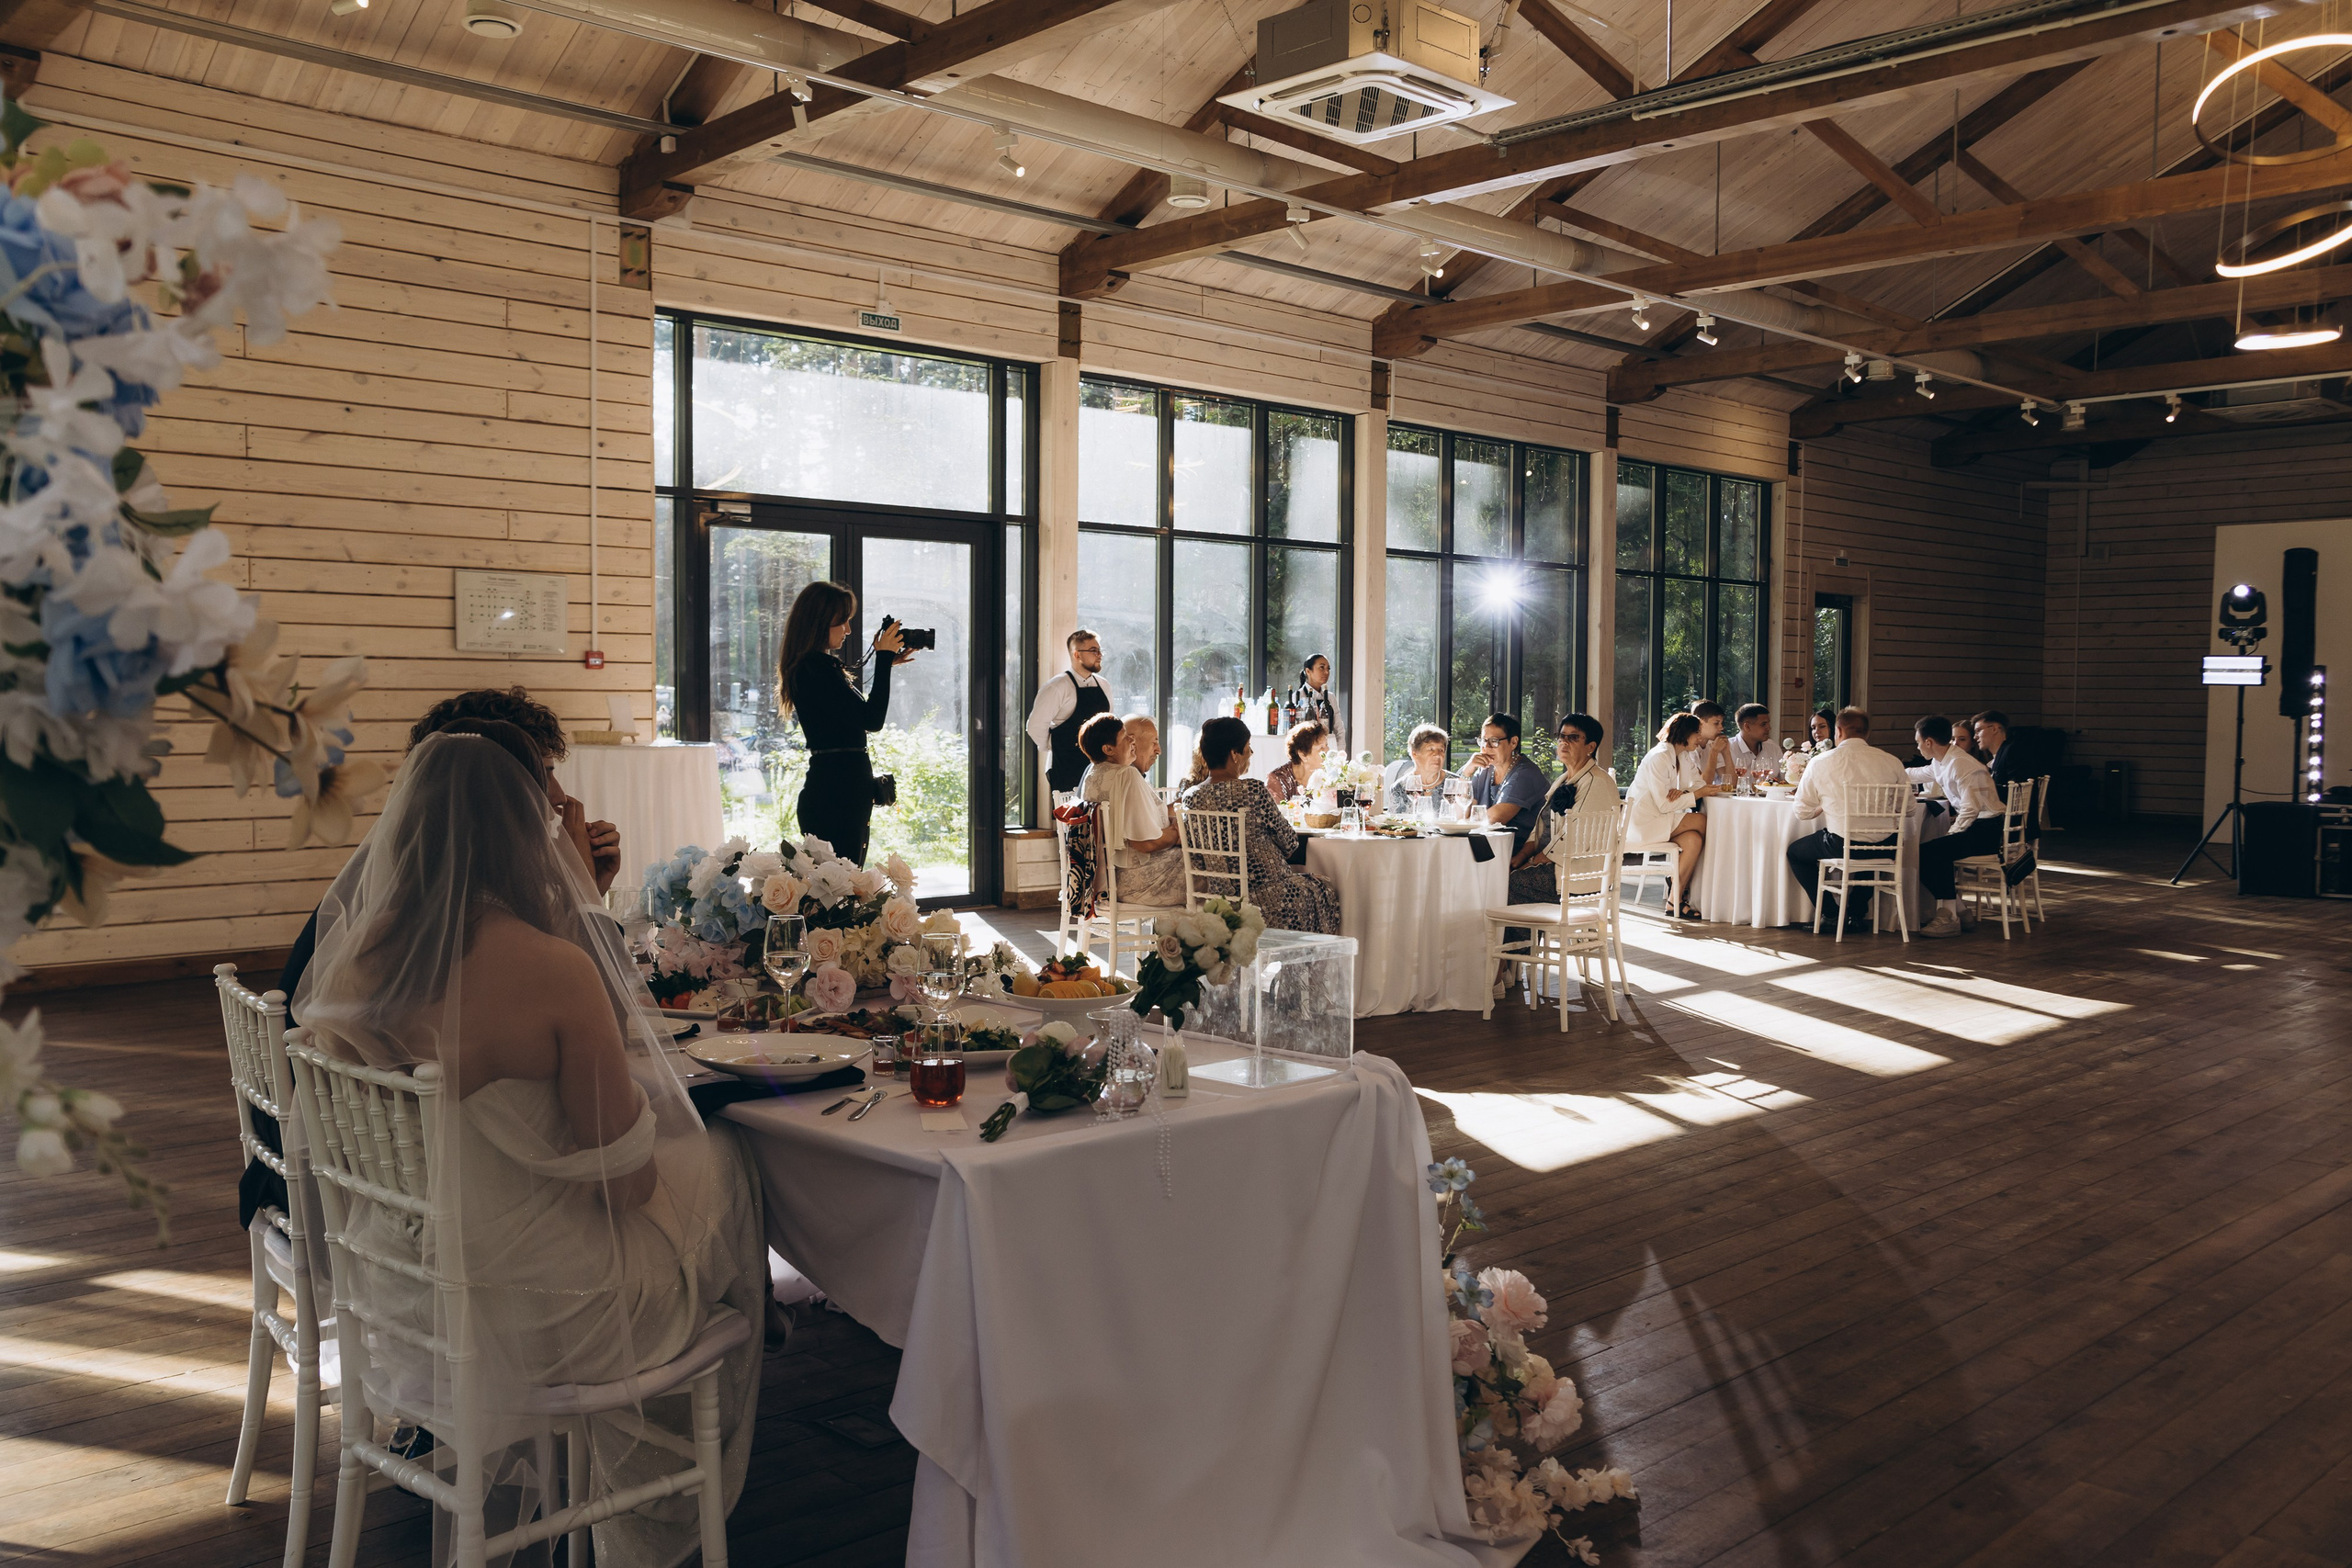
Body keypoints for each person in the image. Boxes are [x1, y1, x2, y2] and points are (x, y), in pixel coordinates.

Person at [294, 729, 768, 1568]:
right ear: (525, 835)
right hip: (546, 1305)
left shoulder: (351, 964)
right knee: (728, 1166)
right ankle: (674, 1482)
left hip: (407, 1289)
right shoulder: (553, 969)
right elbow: (621, 1186)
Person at [247, 691, 620, 1235]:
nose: (561, 796)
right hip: (478, 1227)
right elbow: (614, 1030)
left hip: (374, 1220)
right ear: (498, 797)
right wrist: (583, 900)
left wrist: (578, 896)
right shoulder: (525, 960)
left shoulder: (375, 925)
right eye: (542, 775)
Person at [780, 580, 916, 866]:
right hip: (835, 795)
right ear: (818, 623)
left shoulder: (817, 668)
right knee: (838, 891)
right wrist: (882, 660)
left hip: (838, 790)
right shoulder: (814, 669)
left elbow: (852, 714)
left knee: (841, 889)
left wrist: (885, 664)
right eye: (842, 622)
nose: (848, 631)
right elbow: (872, 719)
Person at [1179, 716, 1341, 935]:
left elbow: (1198, 857)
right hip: (1272, 898)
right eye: (1247, 748)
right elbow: (1290, 843)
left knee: (1309, 882)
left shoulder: (1191, 797)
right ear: (1234, 755)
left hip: (1219, 898)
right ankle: (1304, 966)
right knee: (1324, 888)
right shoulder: (1253, 790)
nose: (1250, 754)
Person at [1787, 705, 1911, 930]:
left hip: (1843, 844)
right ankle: (1855, 912)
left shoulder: (1821, 762)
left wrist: (1824, 806)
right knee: (1870, 850)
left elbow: (1802, 812)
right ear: (1867, 733)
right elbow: (1909, 809)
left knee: (1796, 853)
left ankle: (1831, 914)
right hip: (1887, 845)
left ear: (1838, 732)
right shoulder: (1892, 761)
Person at [1907, 715, 2003, 939]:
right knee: (1928, 852)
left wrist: (1950, 835)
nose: (1918, 746)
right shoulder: (1942, 761)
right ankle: (1958, 910)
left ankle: (1950, 917)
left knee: (1931, 853)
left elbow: (1971, 809)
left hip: (1987, 829)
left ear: (1928, 742)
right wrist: (1887, 770)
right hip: (1977, 826)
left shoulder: (1962, 764)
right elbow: (1915, 773)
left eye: (1918, 742)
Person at [1507, 713, 1615, 904]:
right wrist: (1521, 857)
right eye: (1561, 736)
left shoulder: (1596, 782)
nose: (1564, 742)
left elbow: (1574, 840)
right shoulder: (1563, 780)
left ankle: (1524, 935)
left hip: (1576, 876)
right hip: (1556, 867)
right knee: (1499, 875)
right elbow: (1541, 827)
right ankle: (1527, 934)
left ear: (1591, 747)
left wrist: (1531, 863)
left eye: (1573, 738)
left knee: (1508, 884)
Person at [1080, 714, 1186, 906]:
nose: (1132, 741)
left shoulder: (1093, 774)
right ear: (1108, 749)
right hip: (1142, 882)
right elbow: (1147, 844)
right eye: (1126, 737)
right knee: (1216, 867)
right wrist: (1178, 832)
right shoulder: (1126, 774)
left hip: (1109, 882)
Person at [1624, 713, 1709, 919]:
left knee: (1693, 840)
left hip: (1662, 818)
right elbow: (1664, 804)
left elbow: (1698, 784)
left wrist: (1689, 792)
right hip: (1646, 822)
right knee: (1702, 821)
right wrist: (1694, 795)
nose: (1700, 737)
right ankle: (1697, 885)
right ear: (1684, 733)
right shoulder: (1660, 756)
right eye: (1696, 733)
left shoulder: (1683, 755)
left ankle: (1675, 900)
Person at [1026, 627, 1114, 796]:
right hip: (1065, 766)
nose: (1099, 655)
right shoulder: (1057, 686)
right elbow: (1035, 726)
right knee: (1070, 819)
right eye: (1093, 650)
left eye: (1100, 650)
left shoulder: (1104, 685)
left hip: (1098, 766)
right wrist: (1054, 746)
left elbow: (1108, 725)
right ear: (1077, 654)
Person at [1461, 712, 1550, 853]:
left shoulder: (1525, 774)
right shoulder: (1484, 769)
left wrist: (1465, 819)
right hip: (1487, 848)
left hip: (1517, 856)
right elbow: (1460, 813)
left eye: (1494, 741)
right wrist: (1466, 772)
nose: (1486, 747)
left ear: (1513, 742)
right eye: (1483, 740)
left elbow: (1494, 819)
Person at [1972, 708, 2041, 881]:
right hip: (2004, 822)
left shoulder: (2012, 751)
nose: (1975, 737)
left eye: (1979, 730)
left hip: (2012, 827)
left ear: (1995, 728)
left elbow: (2016, 792)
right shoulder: (2003, 753)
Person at [1385, 723, 1451, 813]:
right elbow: (1394, 822)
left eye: (1441, 750)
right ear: (1414, 753)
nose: (1437, 755)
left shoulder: (1454, 784)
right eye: (1431, 749)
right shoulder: (1399, 787)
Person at [1265, 719, 1329, 805]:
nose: (1328, 750)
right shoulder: (1277, 780)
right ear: (1303, 755)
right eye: (1321, 747)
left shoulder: (1329, 777)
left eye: (1327, 745)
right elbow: (1274, 816)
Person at [1287, 653, 1340, 750]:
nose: (1326, 672)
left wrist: (1341, 752)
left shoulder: (1330, 697)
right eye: (1321, 667)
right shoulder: (1298, 696)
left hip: (1327, 748)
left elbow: (1339, 728)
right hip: (1305, 749)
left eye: (1328, 668)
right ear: (1308, 671)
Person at [1682, 701, 1733, 797]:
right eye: (1716, 723)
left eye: (1721, 723)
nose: (1721, 727)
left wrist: (1726, 752)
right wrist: (1714, 752)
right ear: (1700, 722)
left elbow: (1732, 783)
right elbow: (1702, 785)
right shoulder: (1688, 748)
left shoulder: (1711, 745)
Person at [1726, 702, 1777, 784]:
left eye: (1768, 723)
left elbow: (1785, 780)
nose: (1769, 728)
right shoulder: (1727, 748)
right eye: (1763, 724)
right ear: (1747, 727)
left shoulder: (1773, 747)